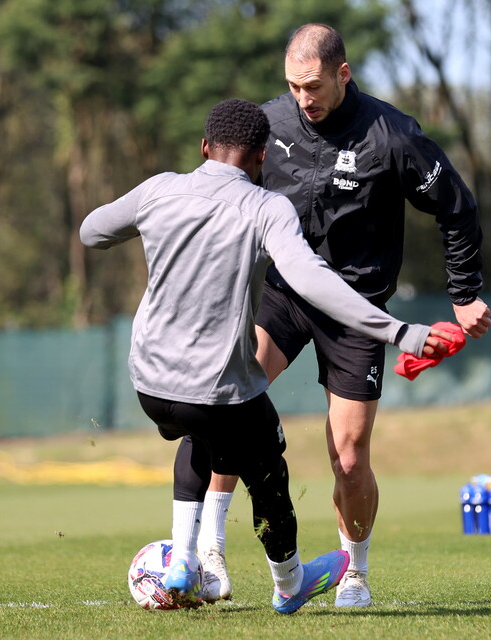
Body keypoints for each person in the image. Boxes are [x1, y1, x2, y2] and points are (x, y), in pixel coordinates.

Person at [79, 98, 453, 614]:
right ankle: (290, 582)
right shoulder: (264, 207)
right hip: (212, 389)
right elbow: (313, 281)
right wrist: (399, 332)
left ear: (204, 147)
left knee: (207, 437)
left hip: (150, 385)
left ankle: (185, 563)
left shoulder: (159, 189)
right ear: (261, 157)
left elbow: (92, 231)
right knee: (269, 471)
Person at [175, 23, 491, 607]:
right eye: (294, 87)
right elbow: (218, 193)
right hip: (284, 295)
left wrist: (464, 291)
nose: (303, 99)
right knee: (223, 404)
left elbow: (458, 208)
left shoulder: (393, 135)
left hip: (358, 309)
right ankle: (206, 555)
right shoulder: (268, 125)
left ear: (342, 74)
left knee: (348, 454)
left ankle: (355, 570)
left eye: (313, 86)